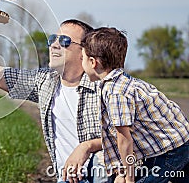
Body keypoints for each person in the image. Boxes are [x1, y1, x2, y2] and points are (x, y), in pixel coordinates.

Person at [0, 7, 107, 183]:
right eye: (53, 39)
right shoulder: (45, 82)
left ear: (84, 52)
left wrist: (87, 146)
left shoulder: (105, 87)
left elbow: (130, 134)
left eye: (64, 41)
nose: (54, 44)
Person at [81, 27, 189, 183]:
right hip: (177, 143)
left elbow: (124, 140)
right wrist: (121, 172)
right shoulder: (120, 82)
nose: (81, 63)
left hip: (171, 150)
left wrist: (129, 178)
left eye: (82, 58)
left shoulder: (116, 93)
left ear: (93, 62)